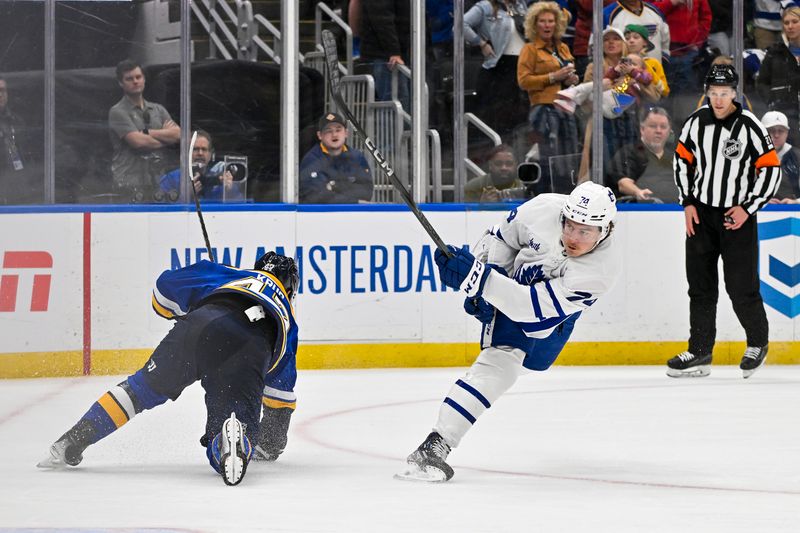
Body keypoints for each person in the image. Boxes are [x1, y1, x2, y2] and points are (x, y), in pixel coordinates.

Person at [396, 181, 621, 482]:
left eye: (584, 232)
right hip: (513, 288)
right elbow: (500, 237)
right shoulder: (542, 208)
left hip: (549, 320)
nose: (572, 237)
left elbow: (532, 313)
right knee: (500, 361)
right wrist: (489, 270)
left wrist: (480, 281)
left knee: (533, 360)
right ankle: (436, 445)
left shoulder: (599, 271)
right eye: (569, 225)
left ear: (605, 230)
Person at [38, 251, 300, 486]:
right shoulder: (287, 319)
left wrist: (194, 306)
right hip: (251, 350)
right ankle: (230, 439)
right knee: (233, 426)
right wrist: (269, 445)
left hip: (202, 325)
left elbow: (161, 294)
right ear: (290, 290)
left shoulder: (228, 274)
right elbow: (281, 397)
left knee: (139, 390)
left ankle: (73, 439)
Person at [668, 64, 781, 379]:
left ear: (735, 94)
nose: (718, 100)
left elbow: (771, 169)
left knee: (741, 287)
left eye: (725, 94)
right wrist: (688, 202)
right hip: (701, 215)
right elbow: (681, 161)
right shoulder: (695, 123)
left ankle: (757, 343)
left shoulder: (750, 126)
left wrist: (748, 207)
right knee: (700, 287)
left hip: (736, 217)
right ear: (707, 93)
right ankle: (700, 351)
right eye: (714, 93)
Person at [517, 1, 580, 193]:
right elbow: (523, 81)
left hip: (566, 108)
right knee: (547, 156)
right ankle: (543, 193)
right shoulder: (529, 49)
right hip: (543, 109)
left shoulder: (563, 48)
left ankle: (565, 193)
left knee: (568, 157)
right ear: (534, 25)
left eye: (551, 21)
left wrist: (572, 79)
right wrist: (553, 77)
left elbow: (570, 75)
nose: (547, 25)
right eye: (542, 21)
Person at [109, 59, 181, 203]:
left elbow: (178, 135)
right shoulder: (117, 111)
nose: (135, 81)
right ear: (120, 83)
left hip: (157, 182)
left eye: (138, 77)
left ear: (144, 79)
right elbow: (138, 142)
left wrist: (148, 133)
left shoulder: (158, 110)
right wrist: (165, 138)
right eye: (129, 79)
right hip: (128, 183)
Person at [463, 0, 530, 139]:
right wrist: (480, 43)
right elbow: (461, 24)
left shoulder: (520, 6)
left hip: (522, 65)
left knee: (520, 114)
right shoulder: (485, 6)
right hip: (499, 67)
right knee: (498, 113)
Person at [299, 112, 373, 203]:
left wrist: (335, 186)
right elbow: (317, 197)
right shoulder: (311, 159)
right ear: (319, 135)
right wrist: (353, 200)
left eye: (338, 130)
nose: (334, 135)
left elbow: (366, 192)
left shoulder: (356, 157)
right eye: (328, 131)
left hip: (352, 215)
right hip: (320, 216)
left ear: (346, 133)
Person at [607, 106, 677, 202]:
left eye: (663, 127)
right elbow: (623, 184)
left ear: (669, 131)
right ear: (642, 129)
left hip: (676, 211)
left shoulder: (675, 157)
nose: (658, 131)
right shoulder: (628, 153)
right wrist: (638, 192)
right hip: (638, 211)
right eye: (653, 126)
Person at [554, 52, 654, 118]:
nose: (629, 66)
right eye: (626, 62)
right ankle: (572, 101)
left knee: (598, 88)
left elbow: (647, 79)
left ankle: (574, 93)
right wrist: (616, 70)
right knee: (600, 86)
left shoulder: (640, 76)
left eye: (633, 64)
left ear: (642, 67)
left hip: (622, 106)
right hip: (606, 104)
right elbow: (607, 78)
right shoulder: (619, 75)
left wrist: (632, 71)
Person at [757, 6, 800, 146]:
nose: (790, 26)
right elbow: (762, 82)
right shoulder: (775, 52)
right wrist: (772, 101)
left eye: (795, 21)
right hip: (783, 115)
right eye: (786, 23)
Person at [158, 130, 240, 202]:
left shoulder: (219, 179)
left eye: (204, 149)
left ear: (210, 154)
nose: (200, 153)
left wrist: (230, 191)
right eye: (195, 149)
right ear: (187, 153)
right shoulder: (171, 179)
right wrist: (186, 196)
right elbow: (160, 210)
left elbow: (240, 208)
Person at [358, 1, 411, 111]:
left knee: (401, 102)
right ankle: (395, 129)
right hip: (385, 56)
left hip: (403, 53)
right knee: (393, 102)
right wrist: (394, 52)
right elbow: (382, 20)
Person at [0, 76, 35, 204]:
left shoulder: (17, 121)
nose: (0, 94)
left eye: (3, 90)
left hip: (16, 186)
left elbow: (26, 153)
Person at [603, 0, 671, 64]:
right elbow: (595, 46)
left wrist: (663, 63)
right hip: (621, 73)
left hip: (655, 71)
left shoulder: (655, 11)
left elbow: (665, 44)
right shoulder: (606, 14)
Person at [762, 110, 800, 202]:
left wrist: (796, 202)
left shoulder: (798, 156)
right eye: (771, 130)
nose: (776, 135)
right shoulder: (750, 156)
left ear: (787, 133)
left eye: (781, 131)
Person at [623, 24, 669, 99]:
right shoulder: (621, 62)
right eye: (627, 38)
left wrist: (645, 66)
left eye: (636, 37)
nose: (631, 40)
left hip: (649, 103)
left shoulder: (653, 63)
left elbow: (665, 91)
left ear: (645, 42)